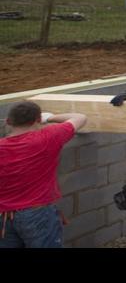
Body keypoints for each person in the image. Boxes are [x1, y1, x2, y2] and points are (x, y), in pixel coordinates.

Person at [1, 103, 89, 248]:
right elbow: (80, 118)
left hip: (4, 216)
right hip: (37, 214)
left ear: (9, 121)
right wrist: (50, 118)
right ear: (38, 119)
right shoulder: (48, 137)